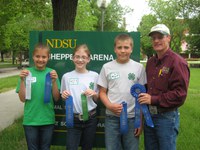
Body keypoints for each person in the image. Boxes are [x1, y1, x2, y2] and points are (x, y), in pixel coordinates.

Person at [138, 24, 190, 150]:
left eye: (160, 37)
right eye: (153, 38)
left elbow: (180, 95)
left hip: (166, 118)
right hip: (149, 117)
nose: (156, 41)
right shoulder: (151, 62)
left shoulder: (178, 62)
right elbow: (147, 87)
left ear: (168, 38)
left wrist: (153, 99)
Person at [97, 33, 146, 150]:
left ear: (131, 49)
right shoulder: (106, 67)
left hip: (132, 118)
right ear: (114, 49)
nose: (123, 51)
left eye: (126, 47)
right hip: (112, 118)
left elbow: (142, 96)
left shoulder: (139, 68)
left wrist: (140, 121)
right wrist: (109, 105)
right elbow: (102, 92)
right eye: (119, 47)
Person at [16, 43, 60, 150]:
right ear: (33, 57)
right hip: (30, 120)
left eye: (44, 57)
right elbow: (22, 99)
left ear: (48, 58)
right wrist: (22, 81)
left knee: (45, 148)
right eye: (38, 56)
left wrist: (54, 82)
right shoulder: (26, 74)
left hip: (47, 119)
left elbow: (56, 98)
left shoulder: (52, 73)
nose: (40, 59)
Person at [60, 44, 99, 150]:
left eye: (83, 57)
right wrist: (63, 96)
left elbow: (98, 99)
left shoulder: (95, 76)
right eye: (77, 56)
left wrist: (95, 94)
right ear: (73, 58)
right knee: (71, 147)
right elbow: (63, 97)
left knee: (87, 147)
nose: (80, 60)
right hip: (73, 118)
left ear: (88, 59)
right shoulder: (66, 77)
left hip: (91, 118)